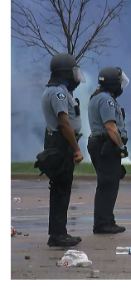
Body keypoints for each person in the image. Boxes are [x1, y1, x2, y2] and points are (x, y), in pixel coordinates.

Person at [38, 53, 86, 246]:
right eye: (73, 71)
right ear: (65, 72)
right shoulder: (57, 92)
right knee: (60, 189)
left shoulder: (61, 91)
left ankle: (59, 232)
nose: (76, 76)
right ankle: (57, 235)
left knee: (62, 189)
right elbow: (65, 123)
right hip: (60, 143)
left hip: (60, 142)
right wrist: (76, 149)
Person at [86, 67, 131, 234]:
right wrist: (122, 146)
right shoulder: (106, 100)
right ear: (113, 84)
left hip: (101, 144)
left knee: (109, 183)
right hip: (105, 145)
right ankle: (103, 224)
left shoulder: (98, 97)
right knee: (107, 184)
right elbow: (111, 127)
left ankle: (107, 220)